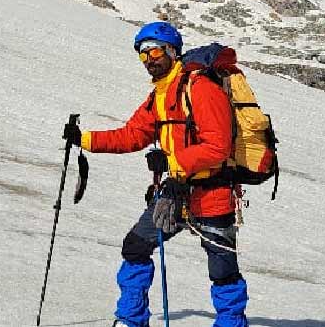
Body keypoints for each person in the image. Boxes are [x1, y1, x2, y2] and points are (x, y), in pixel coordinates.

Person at [65, 21, 249, 327]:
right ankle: (131, 320)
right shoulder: (160, 95)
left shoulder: (200, 88)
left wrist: (172, 162)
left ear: (172, 51)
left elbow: (218, 146)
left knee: (222, 269)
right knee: (135, 246)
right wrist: (84, 139)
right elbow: (132, 135)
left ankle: (230, 324)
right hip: (174, 194)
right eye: (143, 53)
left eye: (154, 51)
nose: (148, 59)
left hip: (213, 194)